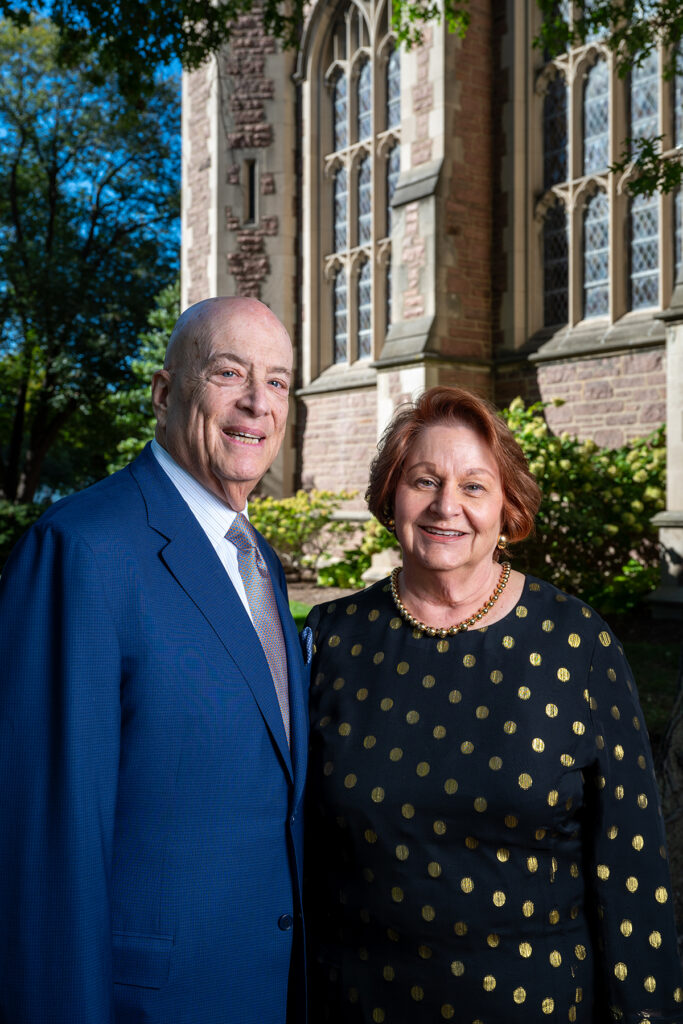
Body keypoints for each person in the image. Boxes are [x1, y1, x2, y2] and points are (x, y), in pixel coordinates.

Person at [304, 386, 683, 1024]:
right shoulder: (330, 640)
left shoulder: (576, 643)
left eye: (474, 486)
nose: (446, 505)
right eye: (424, 480)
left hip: (537, 1005)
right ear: (391, 494)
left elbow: (632, 864)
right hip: (359, 1001)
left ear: (508, 508)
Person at [0, 297, 310, 1024]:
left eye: (277, 382)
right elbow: (45, 838)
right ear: (166, 393)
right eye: (229, 373)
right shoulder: (81, 549)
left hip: (260, 991)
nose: (256, 404)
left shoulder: (257, 558)